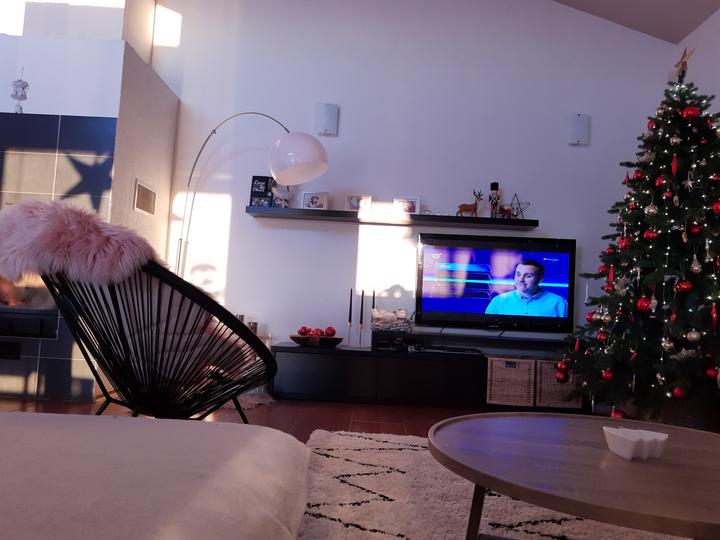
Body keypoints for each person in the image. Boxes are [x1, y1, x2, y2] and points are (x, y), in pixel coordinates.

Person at [485, 260, 567, 317]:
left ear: (540, 279)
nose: (521, 279)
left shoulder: (559, 303)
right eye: (518, 274)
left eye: (528, 276)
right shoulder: (498, 301)